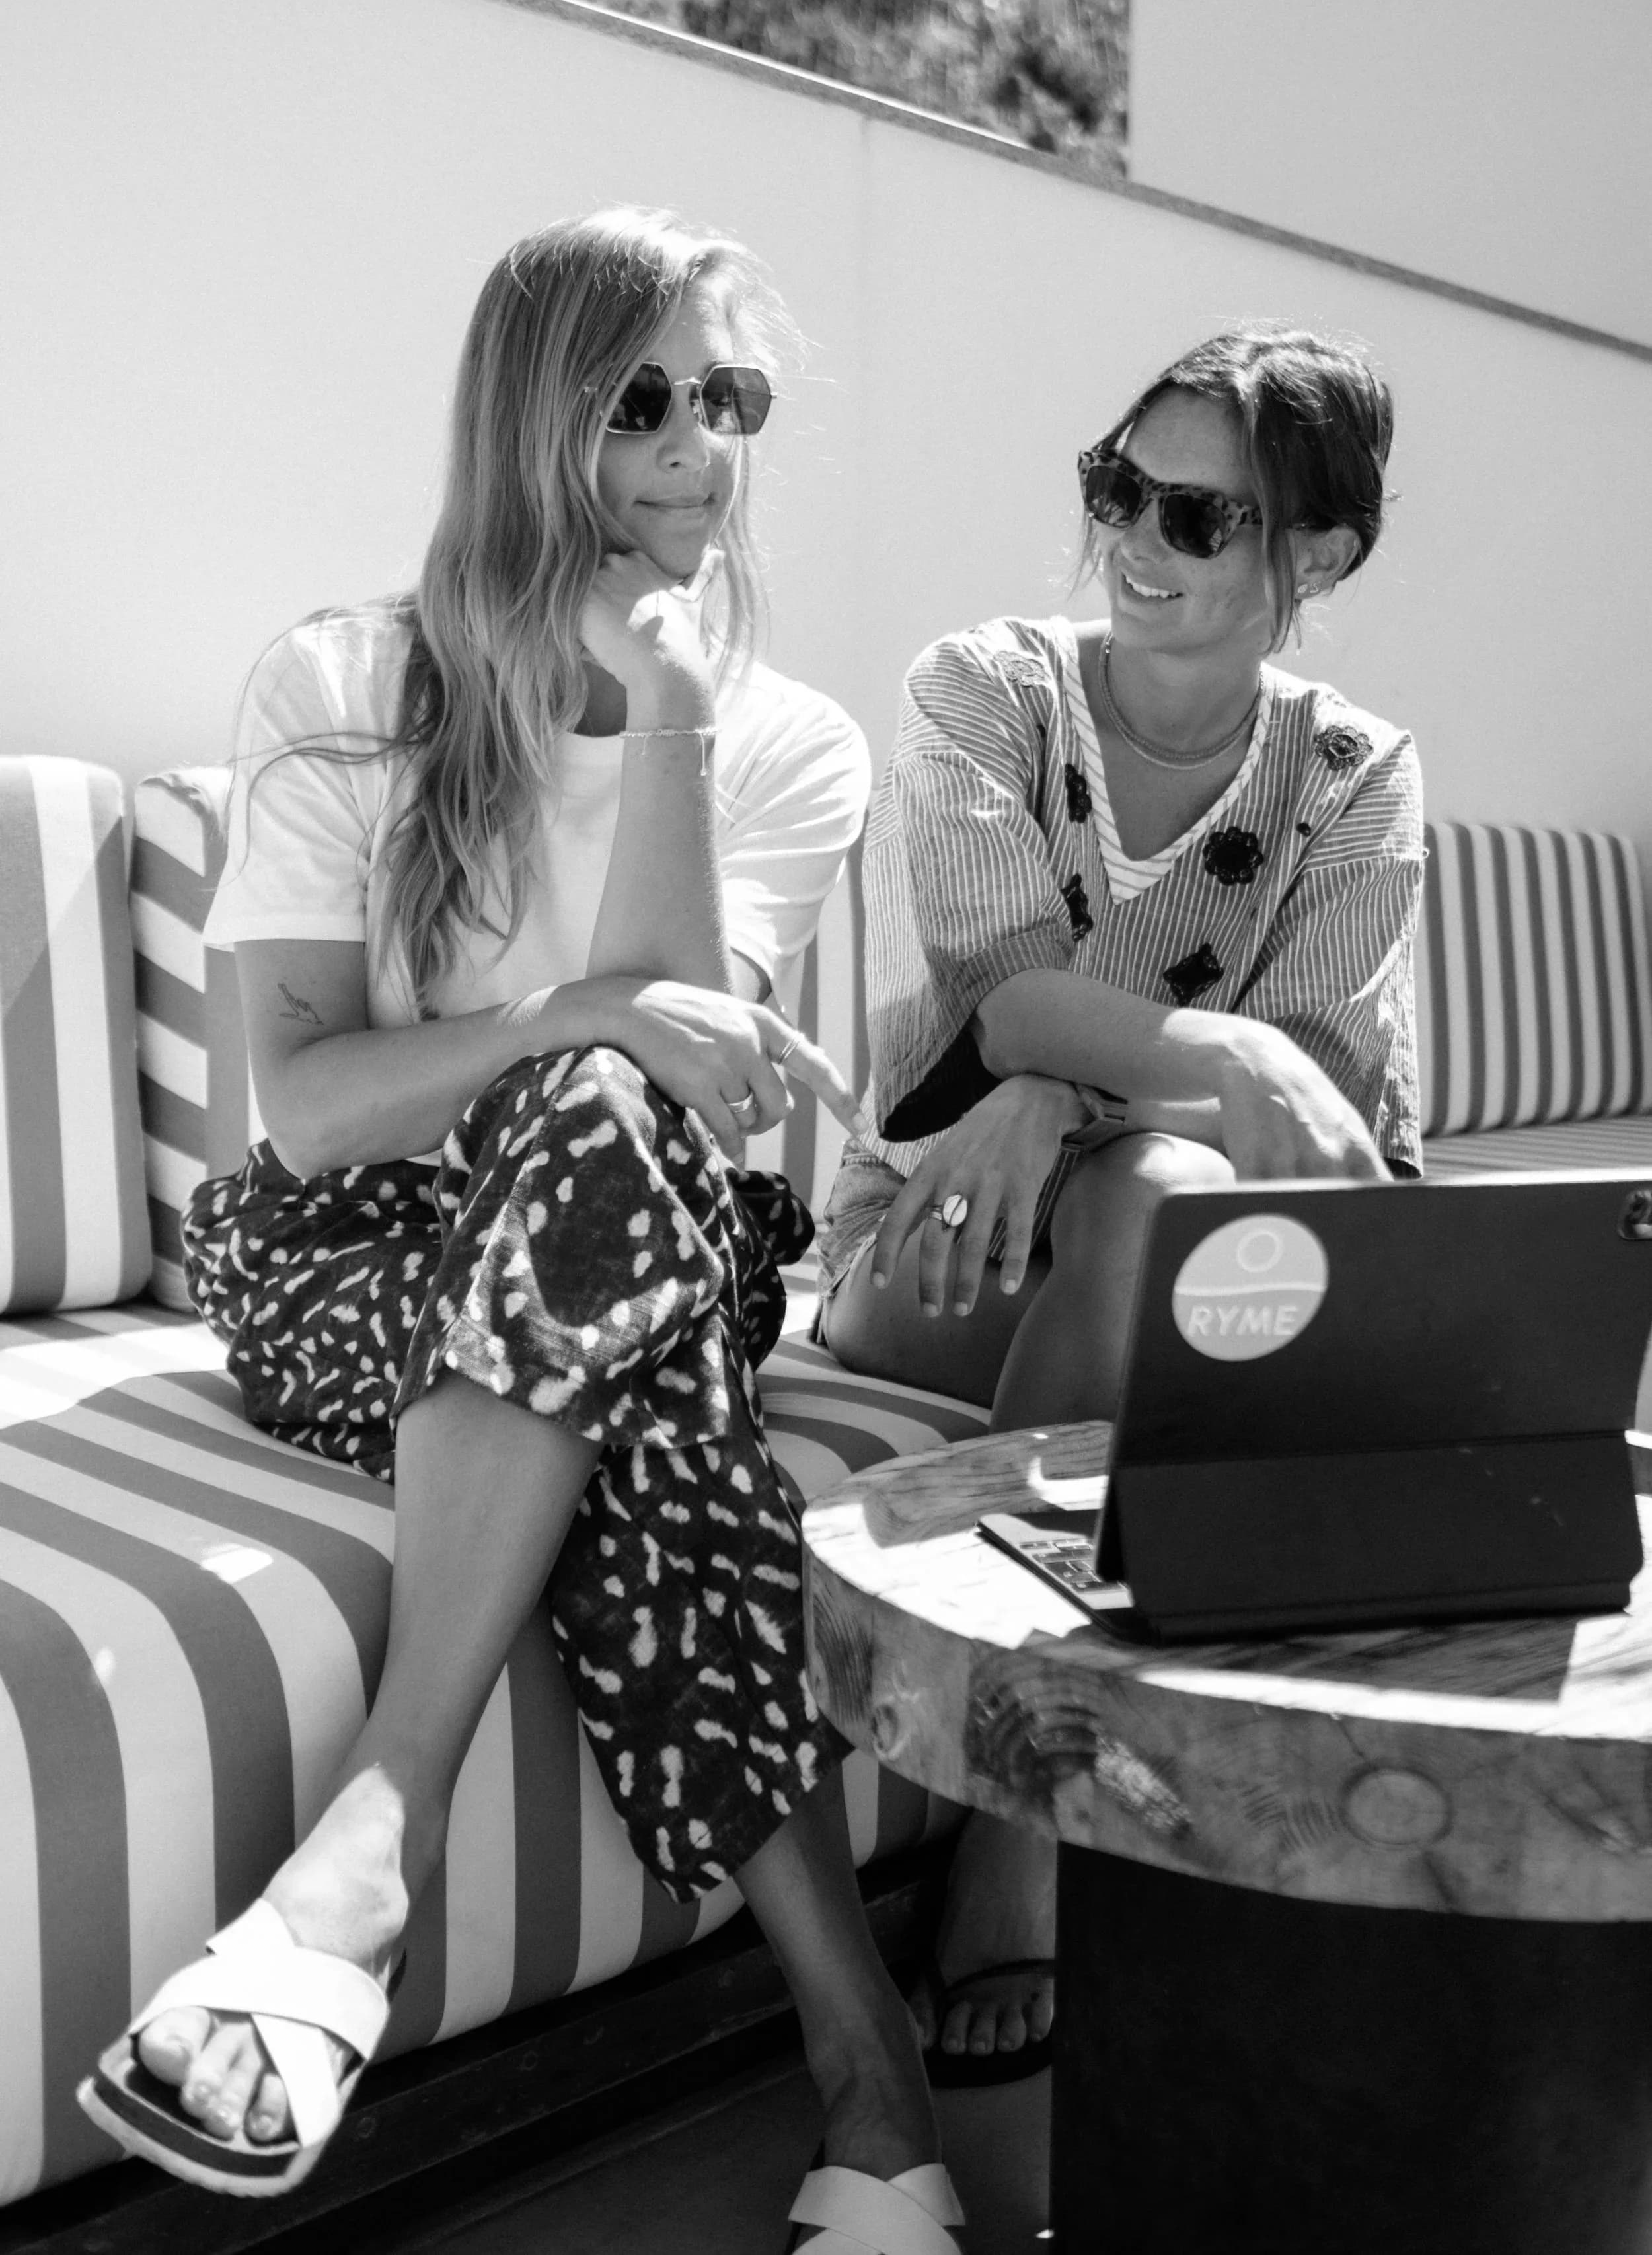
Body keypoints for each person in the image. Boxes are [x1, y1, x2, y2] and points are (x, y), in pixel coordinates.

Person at [80, 210, 963, 2254]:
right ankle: (870, 2078)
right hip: (340, 1252)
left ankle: (353, 1865)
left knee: (609, 1128)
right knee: (621, 1247)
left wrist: (665, 721)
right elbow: (297, 1109)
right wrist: (566, 1013)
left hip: (647, 1232)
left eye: (726, 403)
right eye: (639, 396)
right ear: (529, 412)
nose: (691, 450)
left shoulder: (793, 742)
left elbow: (684, 1071)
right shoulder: (341, 682)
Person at [819, 326, 1423, 2082]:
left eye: (1197, 516)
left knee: (1159, 1190)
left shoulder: (1353, 776)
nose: (1135, 538)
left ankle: (1023, 1812)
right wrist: (1133, 1063)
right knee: (1171, 1181)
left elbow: (1302, 1070)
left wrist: (1077, 1085)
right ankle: (1025, 1830)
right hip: (926, 1238)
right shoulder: (984, 691)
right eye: (1115, 486)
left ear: (1313, 555)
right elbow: (1004, 989)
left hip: (1163, 1225)